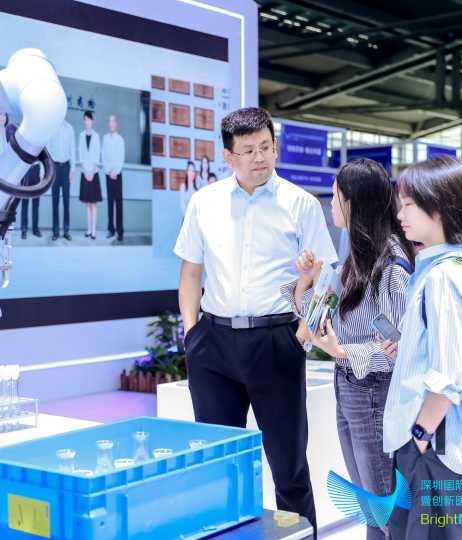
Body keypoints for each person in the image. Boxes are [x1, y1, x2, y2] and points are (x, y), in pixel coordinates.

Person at [174, 107, 337, 538]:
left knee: (289, 467)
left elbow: (327, 278)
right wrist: (191, 333)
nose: (260, 157)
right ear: (228, 156)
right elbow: (190, 273)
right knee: (218, 462)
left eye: (266, 146)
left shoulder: (300, 204)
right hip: (213, 344)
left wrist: (302, 336)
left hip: (276, 341)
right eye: (248, 150)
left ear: (275, 146)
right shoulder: (205, 202)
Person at [281, 158, 414, 540]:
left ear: (355, 202)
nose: (332, 203)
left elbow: (399, 348)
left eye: (336, 195)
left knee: (384, 508)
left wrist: (342, 352)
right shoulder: (357, 257)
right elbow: (317, 316)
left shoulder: (392, 266)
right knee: (371, 507)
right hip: (352, 388)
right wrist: (305, 281)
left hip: (374, 391)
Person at [384, 156, 462, 539]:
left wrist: (419, 435)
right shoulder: (450, 269)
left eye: (409, 204)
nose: (400, 215)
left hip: (437, 447)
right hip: (439, 445)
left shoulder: (444, 276)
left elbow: (450, 374)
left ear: (440, 206)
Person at [6, 121, 41, 240]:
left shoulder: (39, 136)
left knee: (36, 203)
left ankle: (35, 229)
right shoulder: (22, 135)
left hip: (36, 169)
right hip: (26, 169)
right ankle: (24, 229)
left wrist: (42, 171)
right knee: (24, 202)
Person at [47, 117, 76, 241]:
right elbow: (48, 149)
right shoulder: (51, 127)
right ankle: (55, 231)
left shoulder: (69, 128)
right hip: (54, 168)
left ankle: (66, 231)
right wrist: (48, 169)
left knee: (66, 201)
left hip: (66, 168)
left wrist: (73, 169)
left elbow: (72, 149)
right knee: (55, 201)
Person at [78, 111, 102, 240]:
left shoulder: (96, 136)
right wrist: (85, 171)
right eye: (85, 120)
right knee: (87, 204)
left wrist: (92, 172)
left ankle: (93, 231)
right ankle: (88, 229)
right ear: (84, 121)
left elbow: (97, 155)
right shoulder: (81, 135)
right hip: (84, 173)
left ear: (92, 121)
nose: (87, 122)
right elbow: (80, 154)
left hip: (94, 173)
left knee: (94, 204)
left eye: (89, 119)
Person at [102, 114, 125, 242]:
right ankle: (111, 229)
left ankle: (120, 231)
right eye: (109, 121)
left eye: (113, 121)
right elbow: (103, 156)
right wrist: (108, 171)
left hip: (117, 174)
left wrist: (115, 171)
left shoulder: (120, 139)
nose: (111, 124)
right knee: (110, 202)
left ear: (116, 124)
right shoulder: (105, 139)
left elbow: (121, 158)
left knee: (118, 203)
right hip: (108, 174)